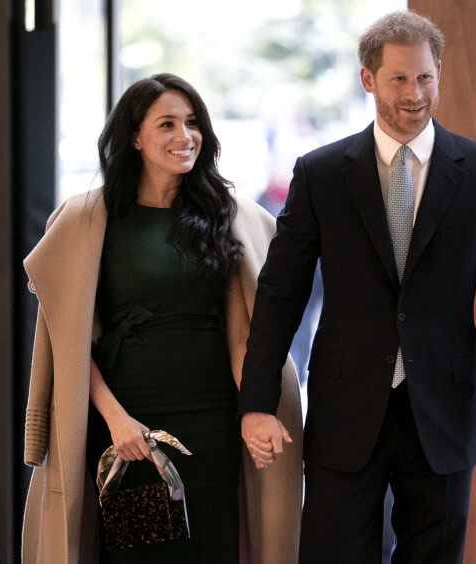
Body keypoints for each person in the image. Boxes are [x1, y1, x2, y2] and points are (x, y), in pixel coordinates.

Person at [239, 11, 476, 564]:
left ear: (439, 72)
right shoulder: (321, 173)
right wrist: (257, 403)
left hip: (444, 412)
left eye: (425, 77)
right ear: (368, 78)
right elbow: (282, 292)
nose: (414, 93)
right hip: (344, 408)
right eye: (399, 78)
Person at [21, 73, 302, 564]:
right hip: (134, 429)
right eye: (167, 124)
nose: (184, 136)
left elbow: (240, 335)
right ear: (134, 137)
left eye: (192, 123)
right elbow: (71, 345)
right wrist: (117, 420)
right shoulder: (90, 220)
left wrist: (255, 412)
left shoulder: (224, 215)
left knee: (212, 548)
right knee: (143, 551)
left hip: (211, 425)